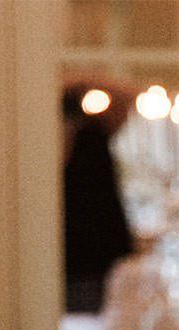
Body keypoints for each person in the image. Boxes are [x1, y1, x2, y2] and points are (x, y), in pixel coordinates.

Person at [62, 85, 133, 313]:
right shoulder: (39, 144)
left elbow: (127, 98)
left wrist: (87, 80)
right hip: (72, 249)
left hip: (99, 244)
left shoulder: (95, 130)